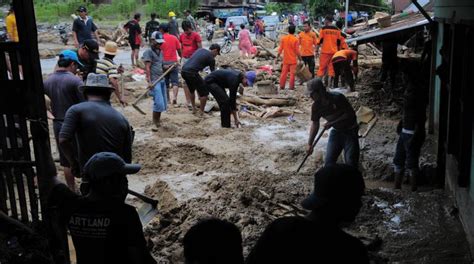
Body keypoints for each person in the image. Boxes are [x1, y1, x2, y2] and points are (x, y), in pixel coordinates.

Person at [48, 152, 156, 264]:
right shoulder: (125, 214)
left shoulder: (72, 205)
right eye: (122, 178)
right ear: (108, 182)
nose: (126, 182)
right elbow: (141, 259)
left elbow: (50, 177)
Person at [247, 165, 368, 264]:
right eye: (357, 197)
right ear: (343, 203)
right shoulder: (352, 251)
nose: (360, 204)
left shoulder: (280, 228)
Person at [59, 73, 133, 194]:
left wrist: (74, 163)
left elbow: (63, 140)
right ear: (109, 94)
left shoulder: (76, 110)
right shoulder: (121, 119)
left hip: (91, 179)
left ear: (84, 93)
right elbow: (127, 159)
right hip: (117, 181)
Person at [44, 50, 84, 192]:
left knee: (65, 160)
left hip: (57, 123)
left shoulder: (47, 81)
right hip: (75, 124)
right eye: (76, 66)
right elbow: (84, 105)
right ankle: (86, 186)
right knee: (83, 155)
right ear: (72, 64)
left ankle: (71, 189)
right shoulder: (75, 81)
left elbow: (43, 103)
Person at [393, 57, 429, 191]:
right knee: (399, 159)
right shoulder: (410, 88)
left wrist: (417, 133)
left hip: (413, 132)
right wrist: (401, 123)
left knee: (411, 162)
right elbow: (407, 110)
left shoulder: (417, 90)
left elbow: (420, 115)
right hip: (406, 130)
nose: (402, 76)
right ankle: (397, 188)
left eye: (404, 74)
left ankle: (414, 191)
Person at [305, 78, 359, 167]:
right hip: (337, 131)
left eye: (312, 94)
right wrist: (310, 144)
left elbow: (350, 114)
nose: (310, 97)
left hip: (350, 131)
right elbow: (315, 124)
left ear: (320, 92)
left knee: (351, 162)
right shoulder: (316, 106)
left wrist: (332, 123)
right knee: (329, 163)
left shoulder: (337, 98)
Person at [181, 44, 220, 114]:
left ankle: (193, 108)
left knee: (192, 90)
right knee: (204, 93)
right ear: (215, 50)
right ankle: (201, 112)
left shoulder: (200, 50)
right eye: (217, 54)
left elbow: (196, 60)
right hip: (192, 73)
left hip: (183, 71)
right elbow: (213, 74)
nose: (216, 55)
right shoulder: (211, 58)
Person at [142, 32, 167, 130]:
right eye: (158, 43)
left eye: (161, 43)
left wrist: (169, 66)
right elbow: (147, 67)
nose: (160, 44)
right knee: (158, 102)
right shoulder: (148, 52)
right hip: (154, 81)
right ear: (152, 41)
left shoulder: (161, 52)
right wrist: (149, 82)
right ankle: (154, 122)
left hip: (161, 79)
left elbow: (162, 66)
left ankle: (158, 121)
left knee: (163, 103)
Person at [316, 15, 345, 86]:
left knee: (321, 69)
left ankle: (317, 86)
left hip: (325, 52)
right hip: (334, 53)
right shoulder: (337, 30)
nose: (324, 22)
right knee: (331, 70)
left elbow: (319, 41)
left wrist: (316, 51)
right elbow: (339, 43)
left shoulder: (323, 29)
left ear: (327, 20)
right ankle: (329, 87)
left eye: (324, 20)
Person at [180, 20, 202, 108]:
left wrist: (199, 60)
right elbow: (181, 47)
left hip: (194, 60)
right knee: (185, 81)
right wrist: (181, 57)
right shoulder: (182, 36)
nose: (187, 32)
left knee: (197, 79)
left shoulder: (196, 35)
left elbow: (200, 48)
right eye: (185, 30)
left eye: (188, 30)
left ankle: (200, 98)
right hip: (185, 59)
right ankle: (188, 100)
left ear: (190, 28)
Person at [96, 41, 126, 105]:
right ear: (114, 54)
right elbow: (113, 82)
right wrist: (120, 98)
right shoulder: (111, 65)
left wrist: (117, 71)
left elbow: (105, 72)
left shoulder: (99, 61)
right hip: (102, 92)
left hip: (94, 89)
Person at [158, 23, 182, 105]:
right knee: (175, 82)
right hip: (174, 62)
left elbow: (158, 52)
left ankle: (167, 100)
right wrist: (180, 58)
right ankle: (174, 98)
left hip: (164, 63)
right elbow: (179, 50)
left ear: (161, 30)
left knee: (166, 83)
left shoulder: (160, 39)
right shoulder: (174, 38)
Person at [276, 25, 301, 90]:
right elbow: (297, 51)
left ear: (288, 30)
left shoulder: (284, 38)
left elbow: (280, 49)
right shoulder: (295, 39)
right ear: (294, 31)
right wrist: (300, 59)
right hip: (293, 60)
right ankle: (291, 87)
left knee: (284, 73)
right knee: (292, 74)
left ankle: (282, 86)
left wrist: (277, 58)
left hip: (286, 60)